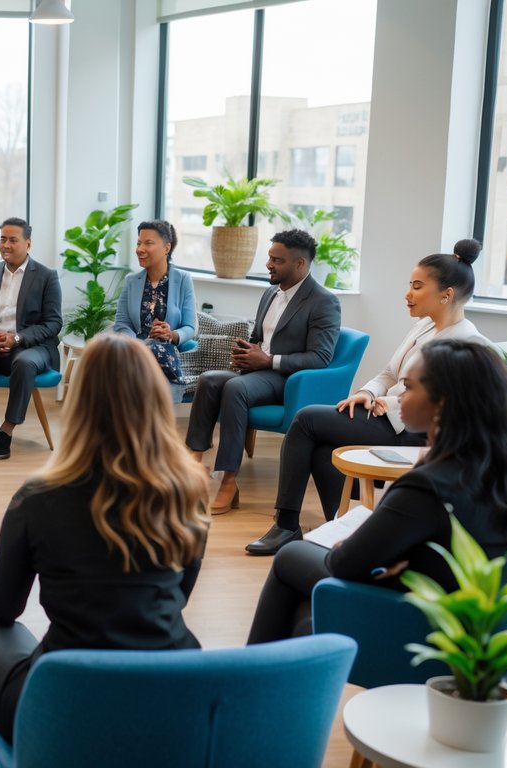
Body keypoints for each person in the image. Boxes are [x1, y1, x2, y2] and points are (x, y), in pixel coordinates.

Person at [0, 334, 209, 749]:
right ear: (156, 401)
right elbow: (181, 594)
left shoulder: (37, 498)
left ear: (82, 405)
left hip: (61, 705)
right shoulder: (189, 491)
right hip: (168, 696)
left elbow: (0, 608)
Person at [247, 339, 507, 643]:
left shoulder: (428, 485)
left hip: (420, 626)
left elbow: (344, 564)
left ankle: (253, 672)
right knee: (305, 615)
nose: (400, 397)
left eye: (408, 387)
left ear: (441, 403)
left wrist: (349, 547)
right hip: (482, 628)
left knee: (291, 554)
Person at [246, 240, 488, 555]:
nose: (407, 294)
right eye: (409, 285)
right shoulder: (423, 328)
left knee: (306, 420)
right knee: (323, 451)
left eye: (417, 286)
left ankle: (287, 525)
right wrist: (366, 393)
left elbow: (444, 408)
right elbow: (388, 374)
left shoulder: (468, 341)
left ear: (447, 294)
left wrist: (385, 404)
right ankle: (342, 527)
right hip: (384, 415)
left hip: (410, 432)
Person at [185, 229, 341, 513]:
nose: (268, 264)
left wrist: (268, 361)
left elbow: (320, 357)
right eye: (269, 258)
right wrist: (247, 352)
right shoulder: (270, 293)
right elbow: (260, 337)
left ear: (300, 264)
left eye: (276, 260)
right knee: (208, 380)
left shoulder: (323, 302)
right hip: (258, 373)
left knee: (235, 388)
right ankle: (192, 466)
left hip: (288, 380)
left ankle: (228, 481)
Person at [0, 217, 63, 461]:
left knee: (24, 363)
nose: (6, 245)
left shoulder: (46, 276)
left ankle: (6, 430)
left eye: (13, 240)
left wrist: (16, 338)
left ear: (28, 244)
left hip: (31, 347)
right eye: (3, 239)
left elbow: (53, 323)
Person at [112, 220, 196, 399]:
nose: (140, 249)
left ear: (166, 248)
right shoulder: (131, 281)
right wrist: (137, 345)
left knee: (153, 352)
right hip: (134, 350)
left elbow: (190, 327)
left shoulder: (183, 279)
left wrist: (171, 334)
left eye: (148, 243)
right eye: (138, 243)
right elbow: (122, 323)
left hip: (165, 351)